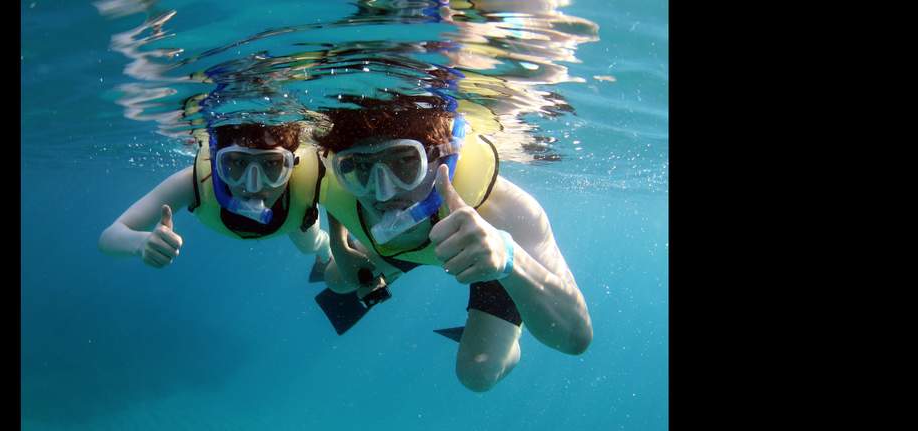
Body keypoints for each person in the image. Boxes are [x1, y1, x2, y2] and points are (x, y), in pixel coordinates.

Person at [313, 95, 592, 393]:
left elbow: (576, 338)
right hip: (397, 246)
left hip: (489, 260)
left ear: (444, 157)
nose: (383, 193)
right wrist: (340, 245)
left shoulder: (504, 211)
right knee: (337, 279)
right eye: (361, 167)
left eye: (405, 161)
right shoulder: (334, 183)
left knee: (477, 374)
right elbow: (331, 191)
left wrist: (508, 258)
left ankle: (510, 336)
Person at [98, 121, 333, 271]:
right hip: (287, 218)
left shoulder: (312, 177)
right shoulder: (197, 182)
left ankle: (326, 256)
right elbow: (109, 237)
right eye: (237, 162)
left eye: (272, 163)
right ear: (215, 161)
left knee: (311, 245)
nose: (253, 185)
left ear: (293, 164)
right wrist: (140, 243)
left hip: (295, 219)